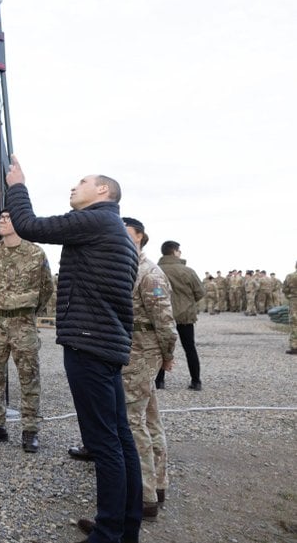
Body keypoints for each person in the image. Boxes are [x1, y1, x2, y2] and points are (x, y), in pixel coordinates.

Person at [3, 155, 141, 543]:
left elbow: (29, 226)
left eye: (82, 181)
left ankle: (109, 533)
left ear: (103, 191)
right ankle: (124, 527)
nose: (73, 186)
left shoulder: (97, 219)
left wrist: (17, 186)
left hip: (90, 343)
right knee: (119, 437)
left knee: (104, 443)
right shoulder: (114, 229)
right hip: (106, 343)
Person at [0, 209, 54, 453]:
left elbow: (46, 288)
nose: (2, 221)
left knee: (29, 378)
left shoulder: (35, 253)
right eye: (0, 218)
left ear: (19, 222)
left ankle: (30, 430)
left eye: (7, 218)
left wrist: (26, 311)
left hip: (23, 325)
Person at [121, 218, 177, 521]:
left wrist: (168, 356)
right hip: (131, 350)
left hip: (142, 351)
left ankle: (144, 497)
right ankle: (158, 484)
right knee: (150, 416)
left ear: (140, 237)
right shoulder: (127, 266)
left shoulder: (149, 273)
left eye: (125, 233)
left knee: (132, 421)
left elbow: (166, 323)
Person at [156, 241, 205, 391]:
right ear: (175, 252)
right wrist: (187, 302)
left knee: (161, 348)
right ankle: (196, 381)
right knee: (189, 348)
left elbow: (154, 292)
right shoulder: (187, 271)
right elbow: (200, 292)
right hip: (185, 316)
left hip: (163, 315)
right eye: (179, 251)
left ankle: (159, 381)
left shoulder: (156, 270)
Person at [283, 262, 297, 355]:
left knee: (294, 322)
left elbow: (285, 289)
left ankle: (294, 346)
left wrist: (290, 296)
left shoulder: (290, 276)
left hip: (294, 300)